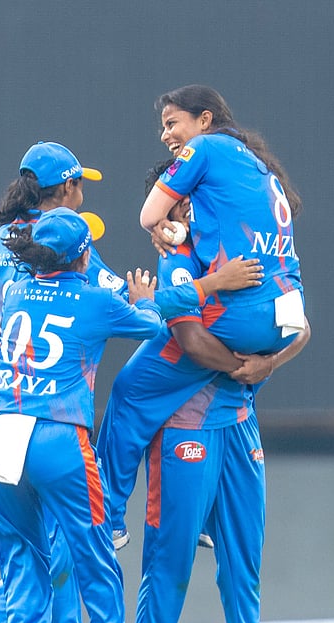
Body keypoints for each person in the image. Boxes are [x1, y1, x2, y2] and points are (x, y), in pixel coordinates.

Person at [100, 84, 307, 546]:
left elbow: (186, 332)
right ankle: (211, 514)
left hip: (227, 330)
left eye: (172, 123)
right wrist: (262, 364)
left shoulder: (201, 173)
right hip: (282, 319)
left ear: (205, 121)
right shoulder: (257, 175)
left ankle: (109, 514)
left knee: (132, 392)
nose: (165, 135)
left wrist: (162, 239)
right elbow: (304, 329)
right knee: (224, 402)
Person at [129, 171, 310, 623]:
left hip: (239, 424)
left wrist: (269, 364)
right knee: (171, 558)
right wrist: (243, 366)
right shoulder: (179, 258)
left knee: (243, 560)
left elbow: (300, 326)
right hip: (186, 427)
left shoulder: (248, 256)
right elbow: (189, 340)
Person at [0, 207, 162, 623]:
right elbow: (153, 328)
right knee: (93, 554)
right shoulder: (94, 299)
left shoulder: (14, 291)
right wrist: (146, 300)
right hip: (56, 435)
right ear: (83, 257)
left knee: (23, 558)